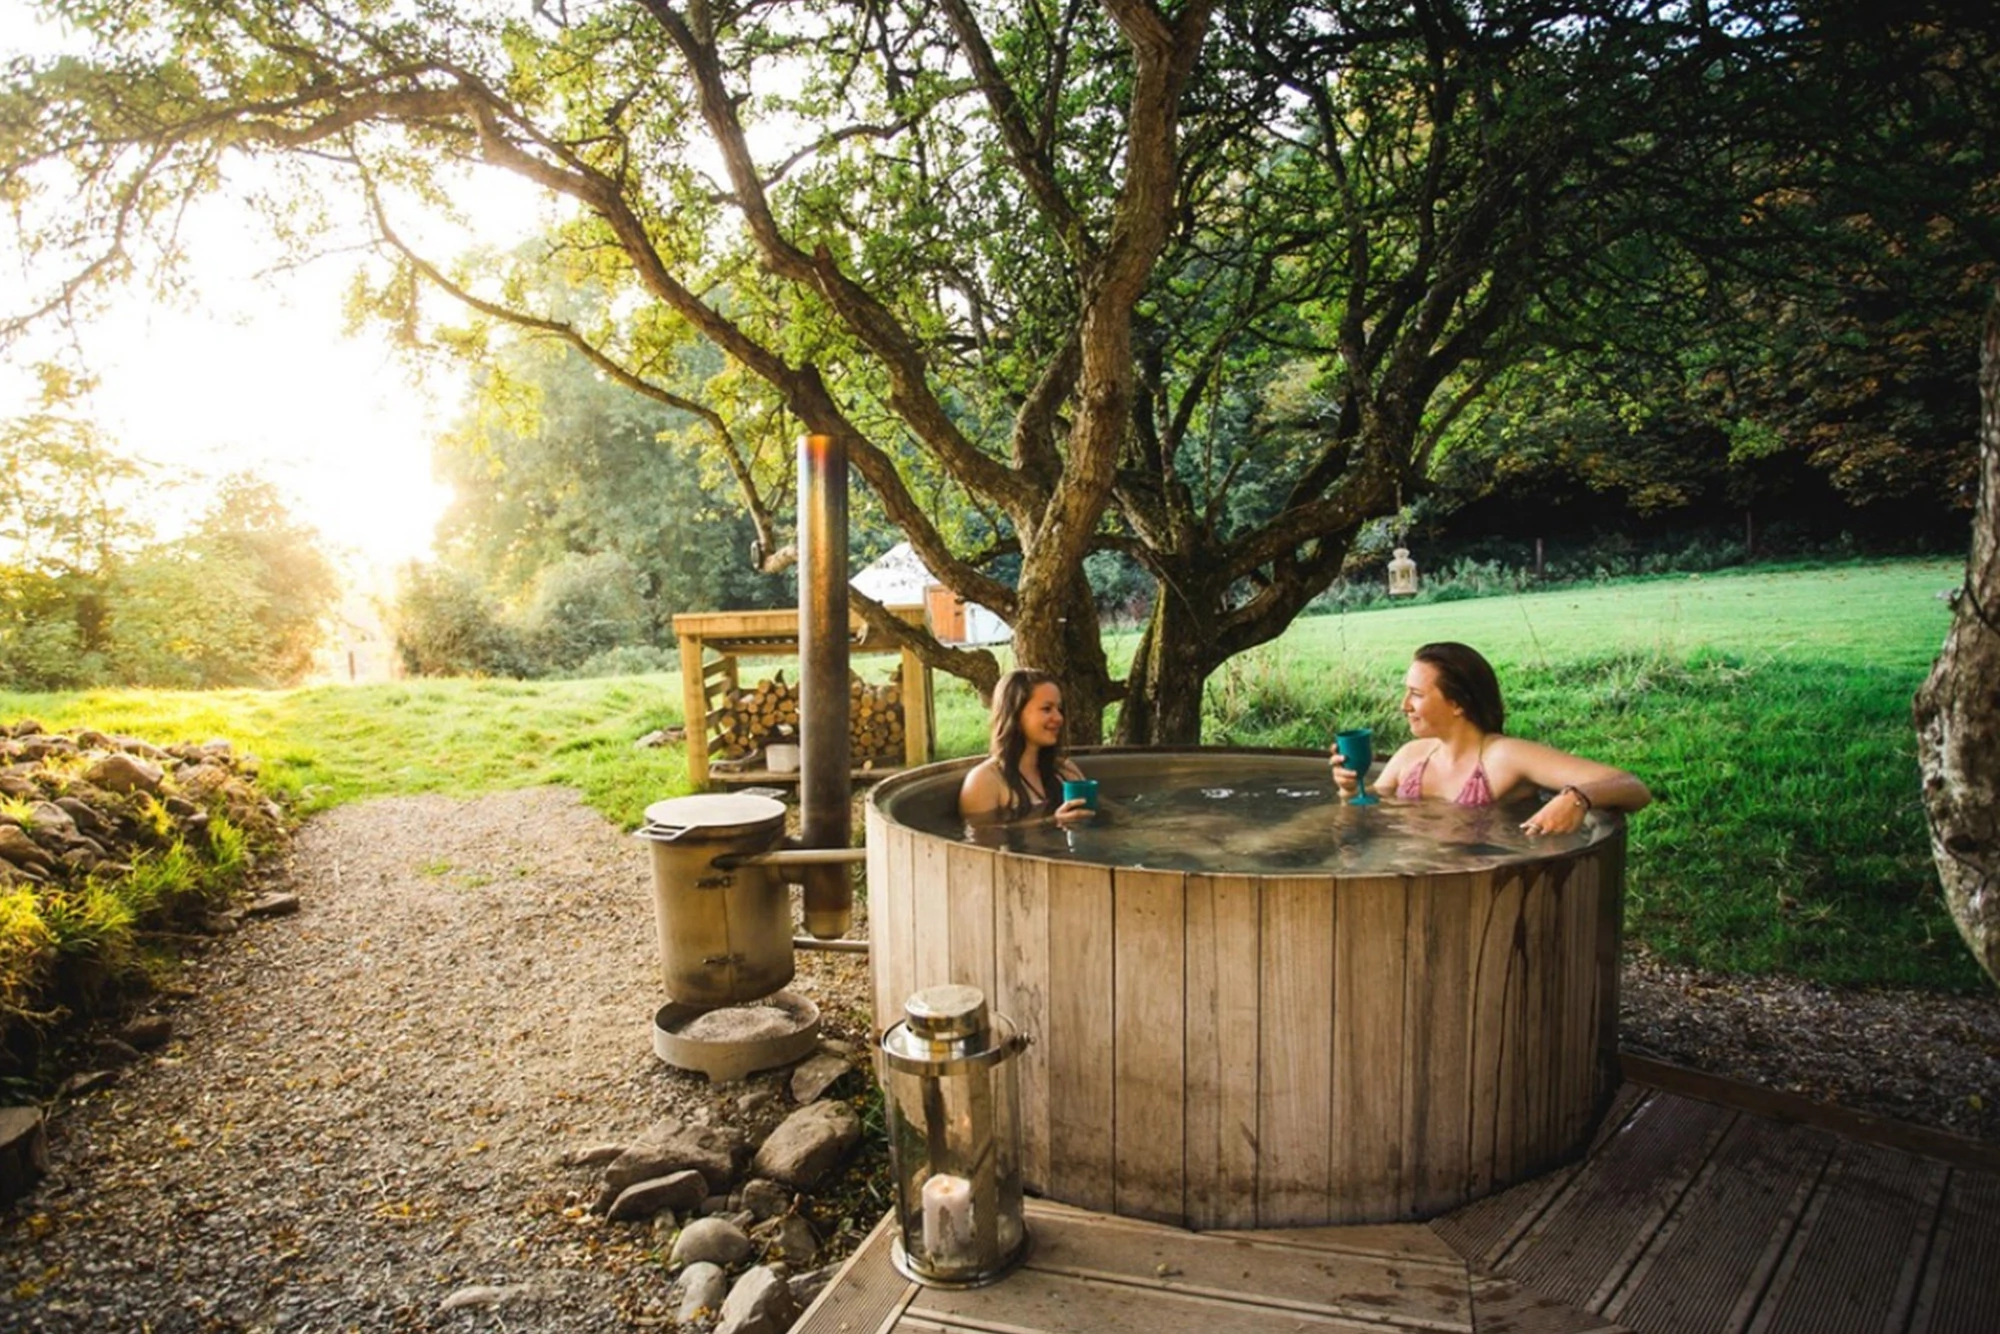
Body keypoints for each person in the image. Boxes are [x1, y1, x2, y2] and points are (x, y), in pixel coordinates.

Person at [1332, 642, 1651, 835]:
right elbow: (1365, 809)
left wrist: (1576, 798)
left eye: (1415, 694)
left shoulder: (1504, 756)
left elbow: (1633, 787)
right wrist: (1349, 789)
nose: (1404, 706)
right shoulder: (1411, 755)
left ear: (1457, 703)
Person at [958, 668, 1097, 825]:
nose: (1059, 718)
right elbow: (980, 841)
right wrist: (1052, 821)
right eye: (1046, 709)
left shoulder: (1066, 771)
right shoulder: (985, 781)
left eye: (1059, 709)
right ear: (1015, 715)